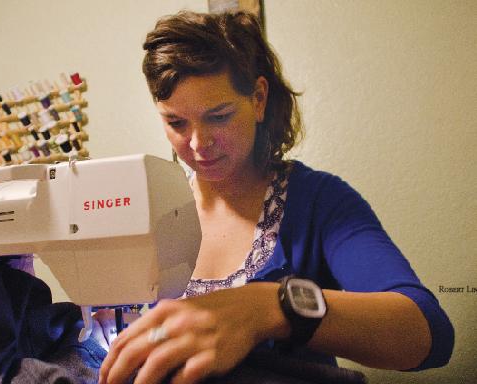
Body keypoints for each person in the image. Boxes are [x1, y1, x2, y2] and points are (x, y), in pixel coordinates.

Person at [97, 10, 454, 384]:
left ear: (259, 98)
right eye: (176, 123)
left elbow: (427, 331)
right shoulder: (152, 210)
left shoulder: (318, 200)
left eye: (219, 116)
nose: (199, 144)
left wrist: (267, 307)